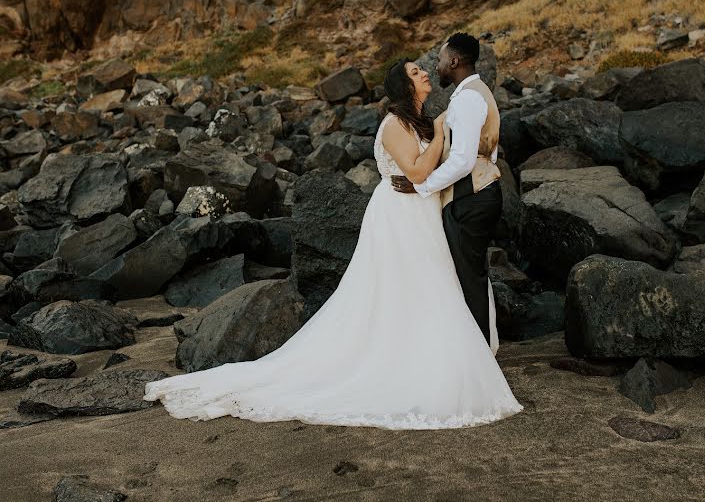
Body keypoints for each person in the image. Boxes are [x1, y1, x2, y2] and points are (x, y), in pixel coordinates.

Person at [142, 58, 522, 430]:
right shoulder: (394, 124)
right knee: (406, 288)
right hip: (400, 214)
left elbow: (431, 170)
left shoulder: (420, 120)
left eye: (423, 69)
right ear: (403, 87)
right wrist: (440, 135)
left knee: (427, 288)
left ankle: (428, 358)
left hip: (423, 212)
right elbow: (419, 171)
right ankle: (400, 363)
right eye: (414, 72)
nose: (424, 72)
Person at [392, 32, 502, 346]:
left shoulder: (468, 99)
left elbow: (464, 161)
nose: (436, 67)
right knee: (472, 276)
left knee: (469, 281)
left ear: (454, 61)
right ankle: (482, 349)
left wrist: (422, 185)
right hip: (479, 193)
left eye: (440, 60)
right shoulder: (473, 94)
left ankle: (479, 357)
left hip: (473, 197)